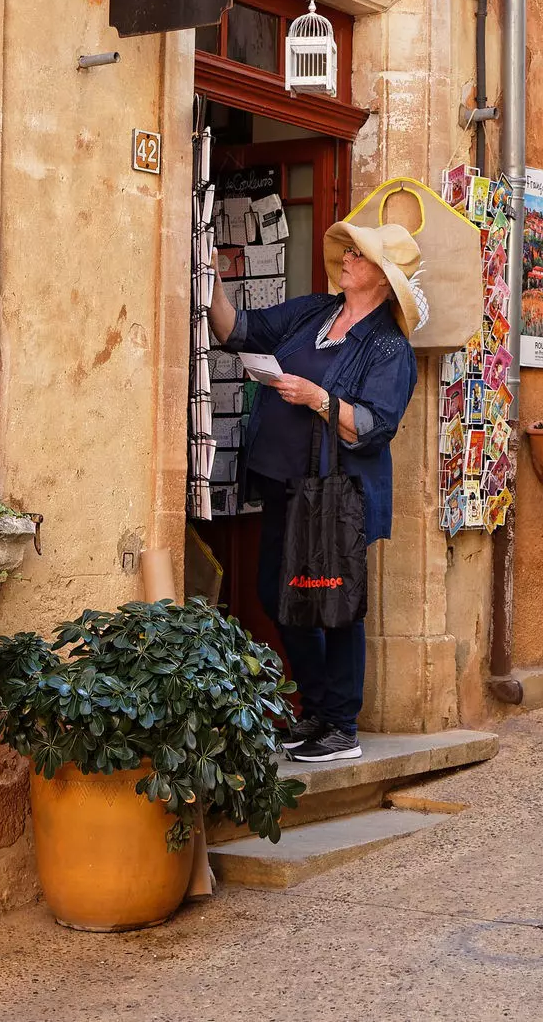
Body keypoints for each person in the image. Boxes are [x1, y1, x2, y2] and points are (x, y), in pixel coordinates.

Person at [209, 219, 424, 763]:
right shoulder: (313, 312)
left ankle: (341, 726)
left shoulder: (388, 348)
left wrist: (316, 397)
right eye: (348, 251)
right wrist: (208, 279)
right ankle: (317, 711)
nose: (347, 259)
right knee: (278, 594)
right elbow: (241, 331)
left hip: (337, 496)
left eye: (359, 255)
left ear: (382, 276)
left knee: (335, 601)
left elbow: (374, 426)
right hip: (287, 485)